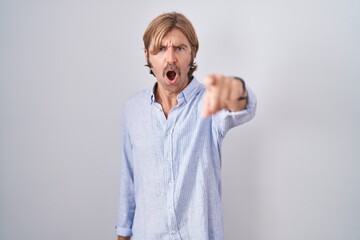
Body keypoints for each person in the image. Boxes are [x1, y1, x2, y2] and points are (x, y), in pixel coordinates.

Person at [116, 12, 257, 240]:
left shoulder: (210, 102)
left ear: (193, 53)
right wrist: (123, 234)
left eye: (179, 48)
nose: (170, 58)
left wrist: (234, 89)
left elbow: (245, 106)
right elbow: (129, 180)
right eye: (161, 49)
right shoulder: (133, 109)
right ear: (147, 56)